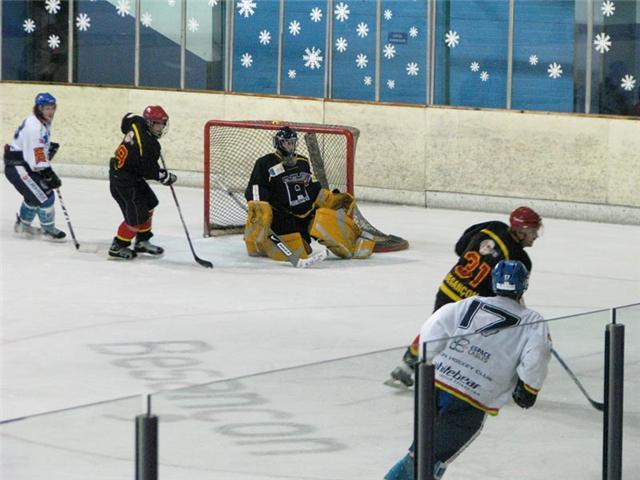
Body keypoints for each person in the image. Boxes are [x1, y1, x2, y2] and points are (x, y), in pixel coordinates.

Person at [384, 260, 552, 480]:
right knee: (427, 457)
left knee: (427, 451)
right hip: (471, 397)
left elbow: (434, 326)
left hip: (435, 384)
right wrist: (529, 388)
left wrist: (428, 360)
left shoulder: (470, 303)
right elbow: (537, 355)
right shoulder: (533, 320)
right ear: (524, 284)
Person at [390, 206, 542, 387]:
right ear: (522, 231)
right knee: (480, 339)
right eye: (533, 231)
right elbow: (506, 290)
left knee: (436, 329)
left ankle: (406, 366)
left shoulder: (491, 226)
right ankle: (471, 376)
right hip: (471, 304)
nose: (536, 236)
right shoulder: (520, 258)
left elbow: (460, 247)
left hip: (450, 286)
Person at [243, 125, 375, 261]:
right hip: (283, 217)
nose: (290, 146)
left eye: (292, 142)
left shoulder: (303, 161)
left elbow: (311, 185)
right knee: (301, 250)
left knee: (325, 221)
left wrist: (328, 198)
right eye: (286, 142)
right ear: (278, 143)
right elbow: (255, 187)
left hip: (306, 213)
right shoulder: (265, 163)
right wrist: (258, 207)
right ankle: (261, 246)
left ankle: (354, 245)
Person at [108, 105, 177, 260]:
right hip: (124, 181)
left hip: (130, 174)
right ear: (148, 123)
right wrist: (165, 177)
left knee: (150, 203)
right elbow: (149, 171)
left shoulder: (136, 122)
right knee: (137, 218)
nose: (161, 128)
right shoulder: (148, 144)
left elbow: (127, 118)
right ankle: (118, 246)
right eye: (157, 124)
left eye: (163, 124)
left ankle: (142, 241)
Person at [3, 92, 66, 241]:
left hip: (23, 165)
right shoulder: (35, 127)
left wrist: (46, 149)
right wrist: (49, 175)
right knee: (46, 195)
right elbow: (37, 162)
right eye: (47, 108)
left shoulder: (41, 121)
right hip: (18, 168)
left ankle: (22, 227)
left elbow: (35, 150)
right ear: (39, 108)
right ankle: (47, 231)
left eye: (53, 108)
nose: (51, 112)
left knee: (34, 195)